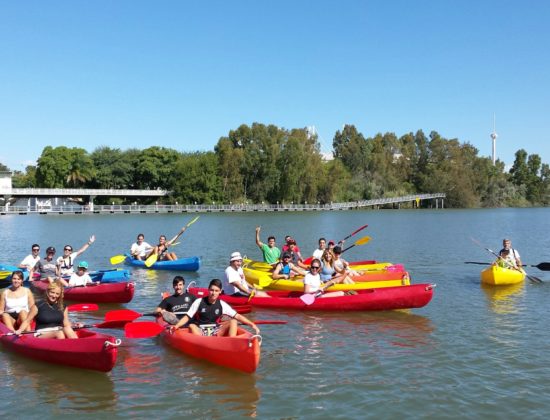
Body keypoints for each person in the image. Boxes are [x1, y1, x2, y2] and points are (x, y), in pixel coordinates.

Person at [170, 278, 260, 337]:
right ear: (208, 290)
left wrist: (252, 324)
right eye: (211, 290)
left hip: (216, 331)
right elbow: (187, 317)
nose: (213, 293)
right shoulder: (199, 302)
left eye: (216, 291)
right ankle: (202, 345)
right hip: (201, 331)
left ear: (220, 292)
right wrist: (176, 326)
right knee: (192, 326)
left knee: (233, 321)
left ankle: (232, 343)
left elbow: (238, 316)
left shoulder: (222, 304)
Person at [15, 280, 80, 339]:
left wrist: (75, 325)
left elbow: (66, 323)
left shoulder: (63, 306)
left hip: (59, 330)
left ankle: (77, 346)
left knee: (67, 328)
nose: (54, 295)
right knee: (59, 333)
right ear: (47, 291)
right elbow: (27, 321)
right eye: (52, 292)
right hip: (42, 334)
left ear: (60, 295)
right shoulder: (38, 305)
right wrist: (20, 330)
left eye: (57, 294)